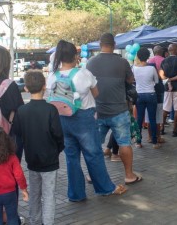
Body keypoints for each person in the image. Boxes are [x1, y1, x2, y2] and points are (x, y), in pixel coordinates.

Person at [49, 40, 127, 201]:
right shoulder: (83, 74)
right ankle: (105, 188)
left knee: (71, 158)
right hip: (84, 118)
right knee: (93, 154)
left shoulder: (52, 76)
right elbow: (96, 93)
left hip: (63, 120)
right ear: (75, 56)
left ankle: (76, 194)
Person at [87, 33, 143, 185]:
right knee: (124, 143)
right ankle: (129, 175)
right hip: (119, 110)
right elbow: (130, 80)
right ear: (114, 45)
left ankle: (93, 176)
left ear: (100, 45)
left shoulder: (90, 62)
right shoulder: (122, 62)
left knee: (94, 145)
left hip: (97, 110)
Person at [12, 71, 64, 225]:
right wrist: (57, 149)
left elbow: (18, 133)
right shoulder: (51, 110)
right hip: (50, 159)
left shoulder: (21, 111)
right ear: (44, 86)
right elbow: (58, 135)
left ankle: (35, 220)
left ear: (26, 89)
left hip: (32, 158)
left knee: (34, 193)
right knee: (49, 195)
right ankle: (47, 222)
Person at [133, 47, 160, 149]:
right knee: (152, 119)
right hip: (151, 94)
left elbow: (133, 80)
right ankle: (154, 142)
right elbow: (157, 81)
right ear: (148, 57)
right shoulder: (152, 68)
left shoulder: (134, 68)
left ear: (138, 57)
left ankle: (138, 142)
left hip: (139, 95)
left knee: (139, 119)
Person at [160, 43, 177, 137]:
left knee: (165, 108)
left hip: (167, 88)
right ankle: (175, 130)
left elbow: (161, 74)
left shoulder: (164, 61)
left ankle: (162, 128)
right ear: (176, 50)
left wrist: (168, 80)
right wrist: (172, 79)